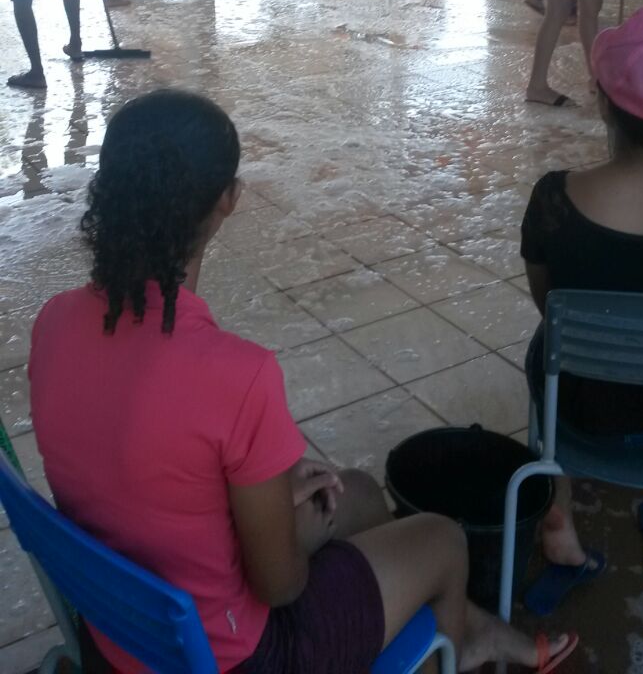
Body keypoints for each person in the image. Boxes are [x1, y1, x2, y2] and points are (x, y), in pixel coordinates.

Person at [28, 89, 573, 674]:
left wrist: (271, 501)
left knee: (358, 492)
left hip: (120, 627)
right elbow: (280, 585)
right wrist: (304, 532)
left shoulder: (54, 322)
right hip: (238, 656)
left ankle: (455, 617)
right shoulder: (237, 375)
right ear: (229, 199)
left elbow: (142, 467)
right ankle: (461, 640)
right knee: (442, 540)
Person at [520, 9, 643, 605]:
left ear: (604, 103)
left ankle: (557, 505)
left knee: (548, 343)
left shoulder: (555, 199)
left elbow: (546, 304)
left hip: (580, 415)